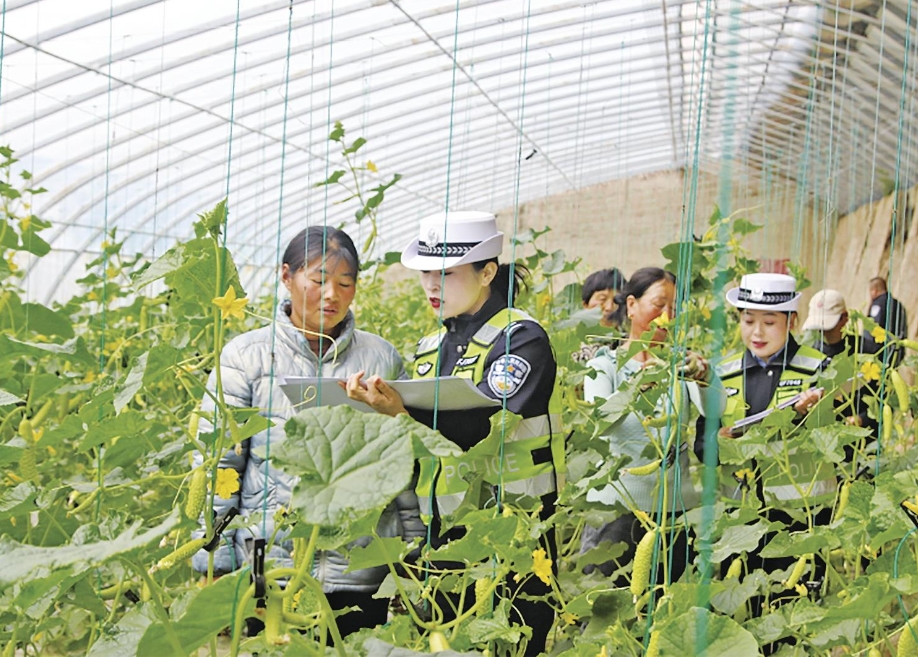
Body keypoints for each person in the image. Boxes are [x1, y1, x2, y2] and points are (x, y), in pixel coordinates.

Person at [342, 211, 563, 654]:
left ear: (487, 272)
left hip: (513, 530)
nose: (431, 286)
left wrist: (403, 412)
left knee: (513, 640)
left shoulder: (522, 340)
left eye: (445, 274)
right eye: (425, 273)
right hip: (442, 533)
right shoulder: (429, 348)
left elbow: (486, 426)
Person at [191, 226, 423, 640]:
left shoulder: (381, 358)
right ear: (286, 277)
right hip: (267, 562)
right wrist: (213, 562)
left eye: (345, 283)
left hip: (358, 566)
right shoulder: (245, 357)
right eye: (318, 280)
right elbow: (219, 467)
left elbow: (402, 465)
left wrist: (413, 554)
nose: (332, 294)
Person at [709, 273, 836, 637]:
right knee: (746, 623)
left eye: (769, 322)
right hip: (741, 524)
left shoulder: (818, 369)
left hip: (802, 524)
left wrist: (814, 413)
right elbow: (704, 447)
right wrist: (718, 440)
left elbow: (834, 441)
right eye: (748, 321)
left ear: (791, 321)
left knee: (796, 624)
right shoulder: (724, 373)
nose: (757, 333)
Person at [579, 267, 709, 587]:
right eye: (659, 305)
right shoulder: (603, 365)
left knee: (666, 610)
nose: (667, 317)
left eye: (674, 309)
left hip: (673, 513)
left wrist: (706, 378)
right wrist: (636, 388)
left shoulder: (681, 364)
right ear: (632, 305)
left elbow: (718, 412)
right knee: (607, 608)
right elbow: (601, 424)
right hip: (615, 511)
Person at [802, 288, 876, 433]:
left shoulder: (866, 351)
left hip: (862, 438)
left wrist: (862, 419)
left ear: (845, 318)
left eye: (827, 325)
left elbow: (882, 397)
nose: (824, 331)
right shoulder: (810, 355)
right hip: (824, 436)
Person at [572, 267, 626, 363]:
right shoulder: (572, 343)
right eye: (602, 299)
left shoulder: (629, 344)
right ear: (585, 305)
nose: (609, 307)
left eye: (616, 300)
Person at [861, 276, 907, 365]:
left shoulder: (877, 305)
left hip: (880, 353)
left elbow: (872, 327)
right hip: (896, 351)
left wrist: (867, 350)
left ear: (874, 290)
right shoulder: (899, 305)